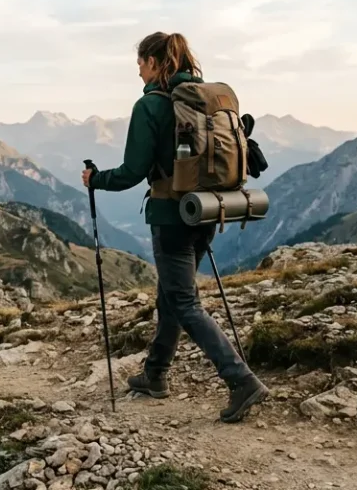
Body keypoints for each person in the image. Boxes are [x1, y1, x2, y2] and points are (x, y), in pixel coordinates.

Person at [81, 31, 269, 424]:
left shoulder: (150, 106)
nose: (138, 72)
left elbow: (133, 171)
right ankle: (155, 374)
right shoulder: (205, 100)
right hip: (207, 212)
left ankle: (241, 380)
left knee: (183, 303)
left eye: (140, 64)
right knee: (171, 296)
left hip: (171, 216)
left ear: (154, 62)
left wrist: (96, 179)